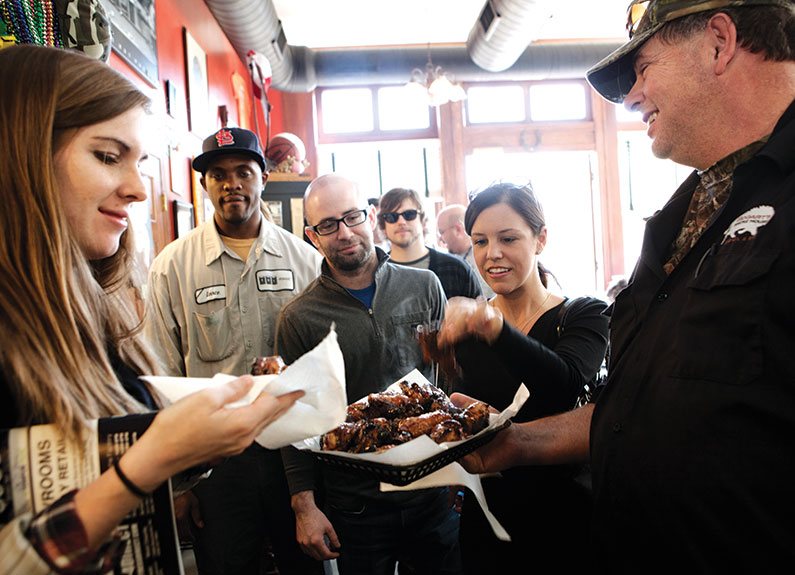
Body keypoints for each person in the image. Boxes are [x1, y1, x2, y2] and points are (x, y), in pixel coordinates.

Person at [449, 1, 795, 572]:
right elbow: (636, 408)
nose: (632, 96)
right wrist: (515, 444)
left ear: (719, 41)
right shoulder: (680, 218)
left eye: (644, 67)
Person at [0, 45, 303, 575]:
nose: (140, 188)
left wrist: (182, 452)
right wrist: (160, 460)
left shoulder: (87, 314)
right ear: (22, 153)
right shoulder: (171, 265)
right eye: (106, 155)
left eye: (139, 161)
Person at [144, 127, 324, 575]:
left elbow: (324, 364)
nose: (232, 184)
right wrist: (177, 485)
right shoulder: (172, 267)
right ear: (204, 185)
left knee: (305, 566)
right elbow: (161, 372)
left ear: (264, 176)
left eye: (244, 171)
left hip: (294, 453)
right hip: (214, 464)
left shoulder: (304, 261)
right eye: (217, 175)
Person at [275, 174, 461, 575]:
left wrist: (458, 466)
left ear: (371, 216)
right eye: (328, 224)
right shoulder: (298, 318)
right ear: (312, 234)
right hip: (354, 503)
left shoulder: (426, 286)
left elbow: (448, 382)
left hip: (430, 492)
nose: (344, 232)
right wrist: (304, 505)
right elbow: (293, 420)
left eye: (352, 217)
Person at [437, 183, 608, 573]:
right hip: (487, 518)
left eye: (508, 238)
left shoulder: (585, 315)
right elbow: (460, 412)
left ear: (540, 239)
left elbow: (564, 386)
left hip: (564, 518)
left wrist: (494, 328)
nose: (492, 253)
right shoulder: (468, 326)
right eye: (479, 241)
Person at [378, 188, 482, 300]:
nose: (401, 222)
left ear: (423, 221)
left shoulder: (456, 269)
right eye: (391, 217)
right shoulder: (375, 274)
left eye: (409, 214)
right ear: (383, 226)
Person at [435, 203, 494, 298]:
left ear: (458, 229)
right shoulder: (445, 262)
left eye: (441, 232)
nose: (440, 239)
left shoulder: (485, 258)